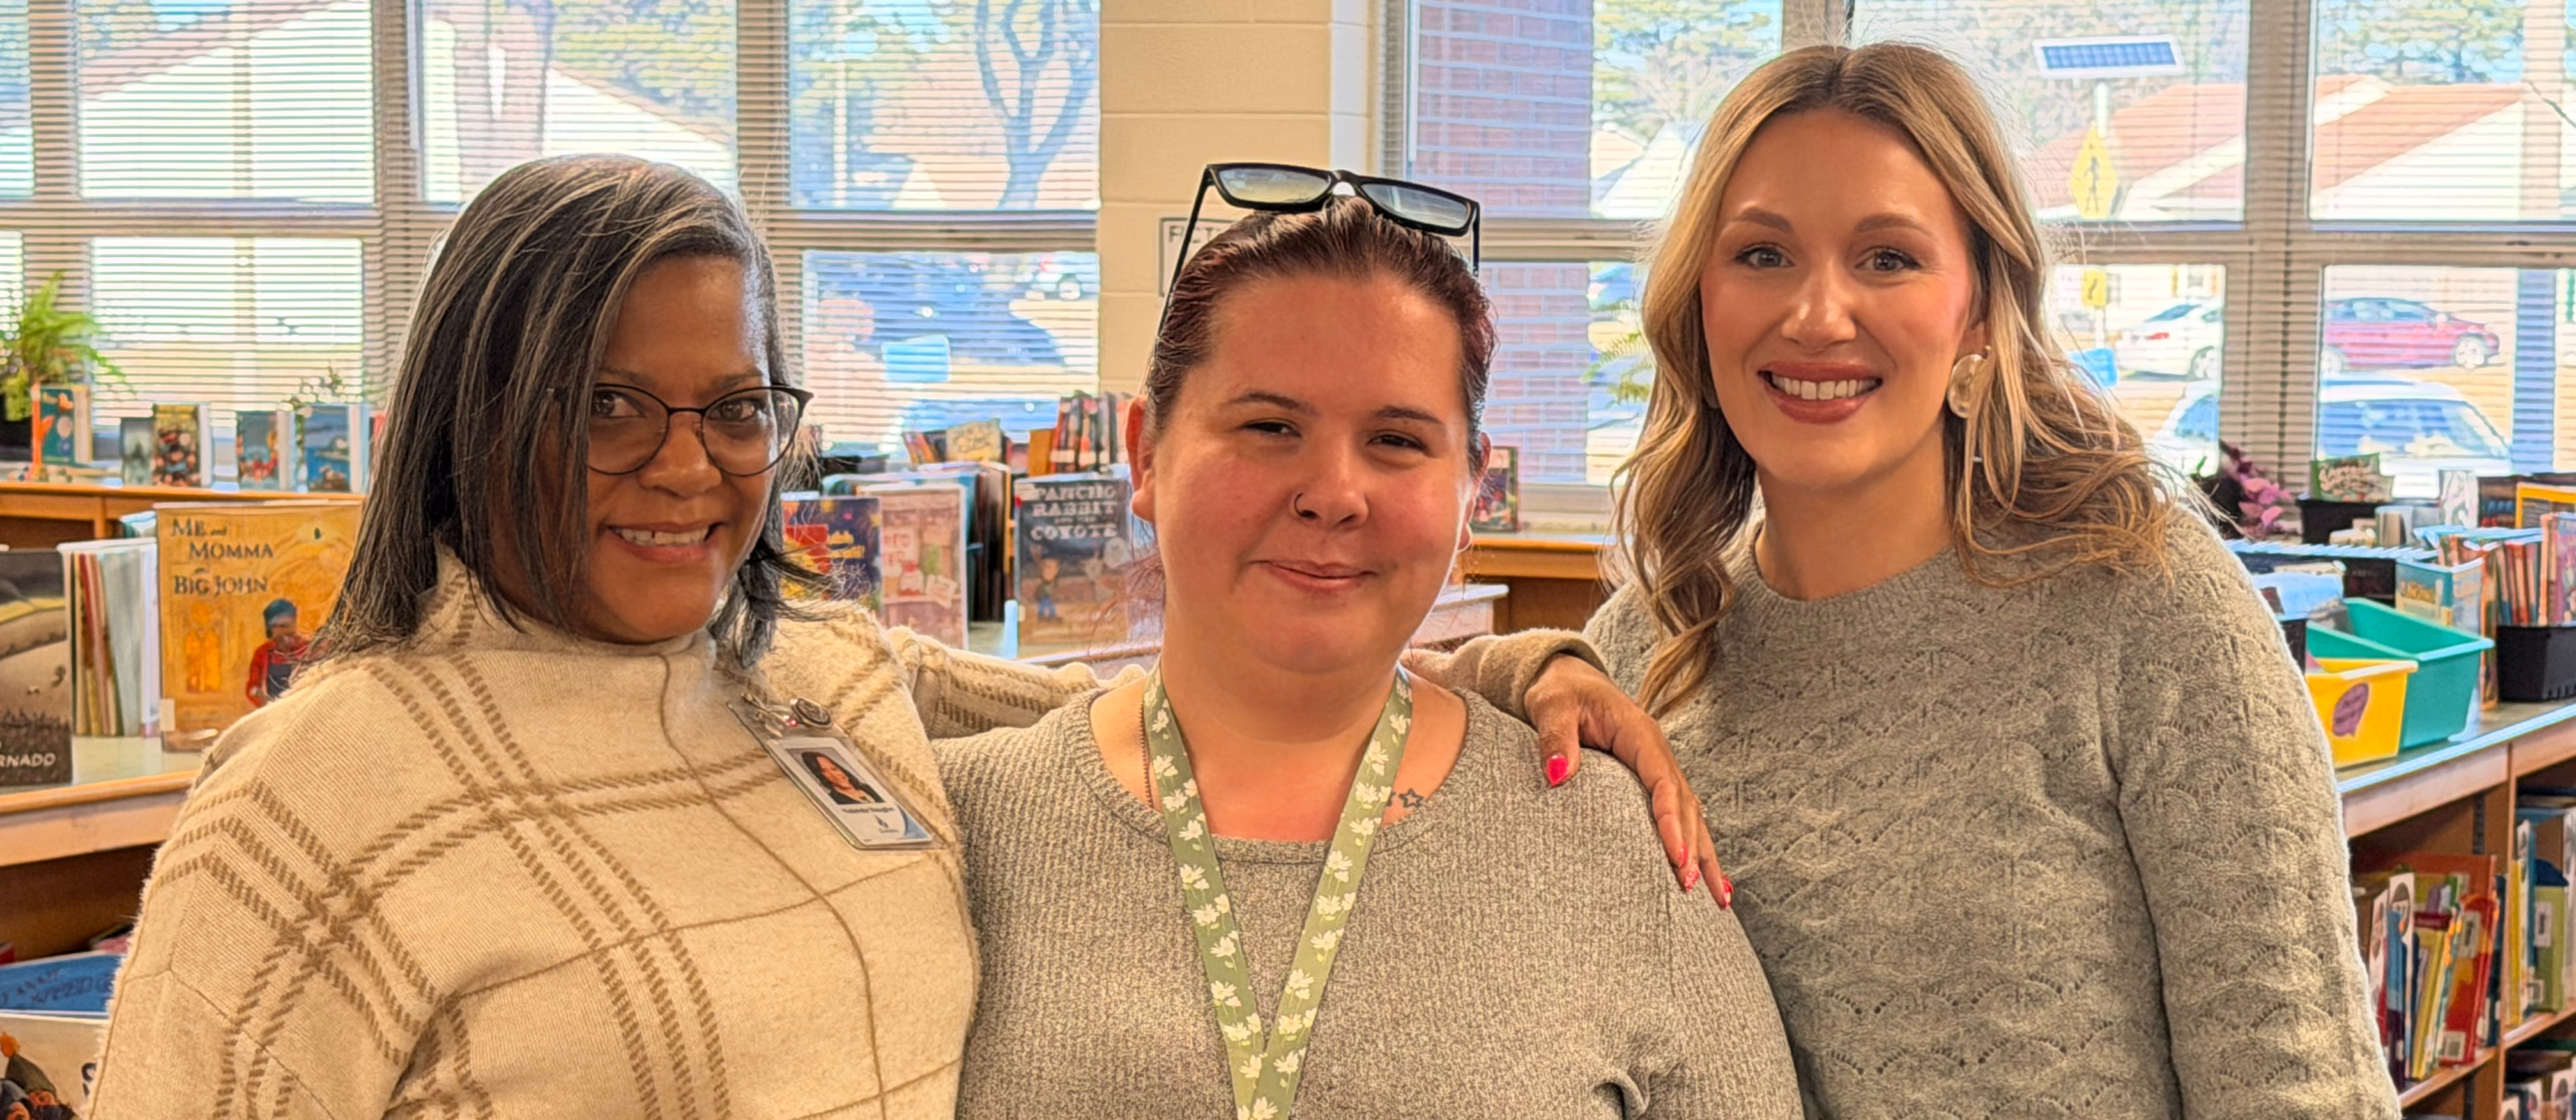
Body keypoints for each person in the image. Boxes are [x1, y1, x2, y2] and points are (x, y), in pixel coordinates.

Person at [87, 154, 1710, 1119]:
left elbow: (1199, 707)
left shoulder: (824, 676)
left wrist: (1513, 674)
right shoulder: (313, 794)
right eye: (606, 405)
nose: (684, 463)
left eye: (734, 408)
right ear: (475, 403)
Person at [1501, 43, 2398, 1117]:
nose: (1818, 315)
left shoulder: (2141, 599)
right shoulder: (1645, 651)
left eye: (1886, 258)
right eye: (1761, 255)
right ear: (1700, 300)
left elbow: (2297, 1084)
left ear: (1978, 309)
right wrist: (1517, 666)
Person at [937, 190, 1801, 1118]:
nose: (1335, 493)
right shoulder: (958, 830)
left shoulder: (1607, 839)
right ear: (1147, 456)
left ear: (1472, 489)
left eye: (1396, 441)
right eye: (1271, 427)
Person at [241, 598, 306, 707]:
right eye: (277, 627)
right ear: (271, 630)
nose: (283, 632)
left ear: (294, 625)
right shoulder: (262, 653)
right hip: (273, 710)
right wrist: (261, 700)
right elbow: (252, 687)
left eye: (285, 626)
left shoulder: (306, 649)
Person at [802, 749, 882, 805]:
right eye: (825, 772)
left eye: (834, 769)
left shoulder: (867, 788)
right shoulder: (835, 800)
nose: (835, 775)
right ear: (821, 776)